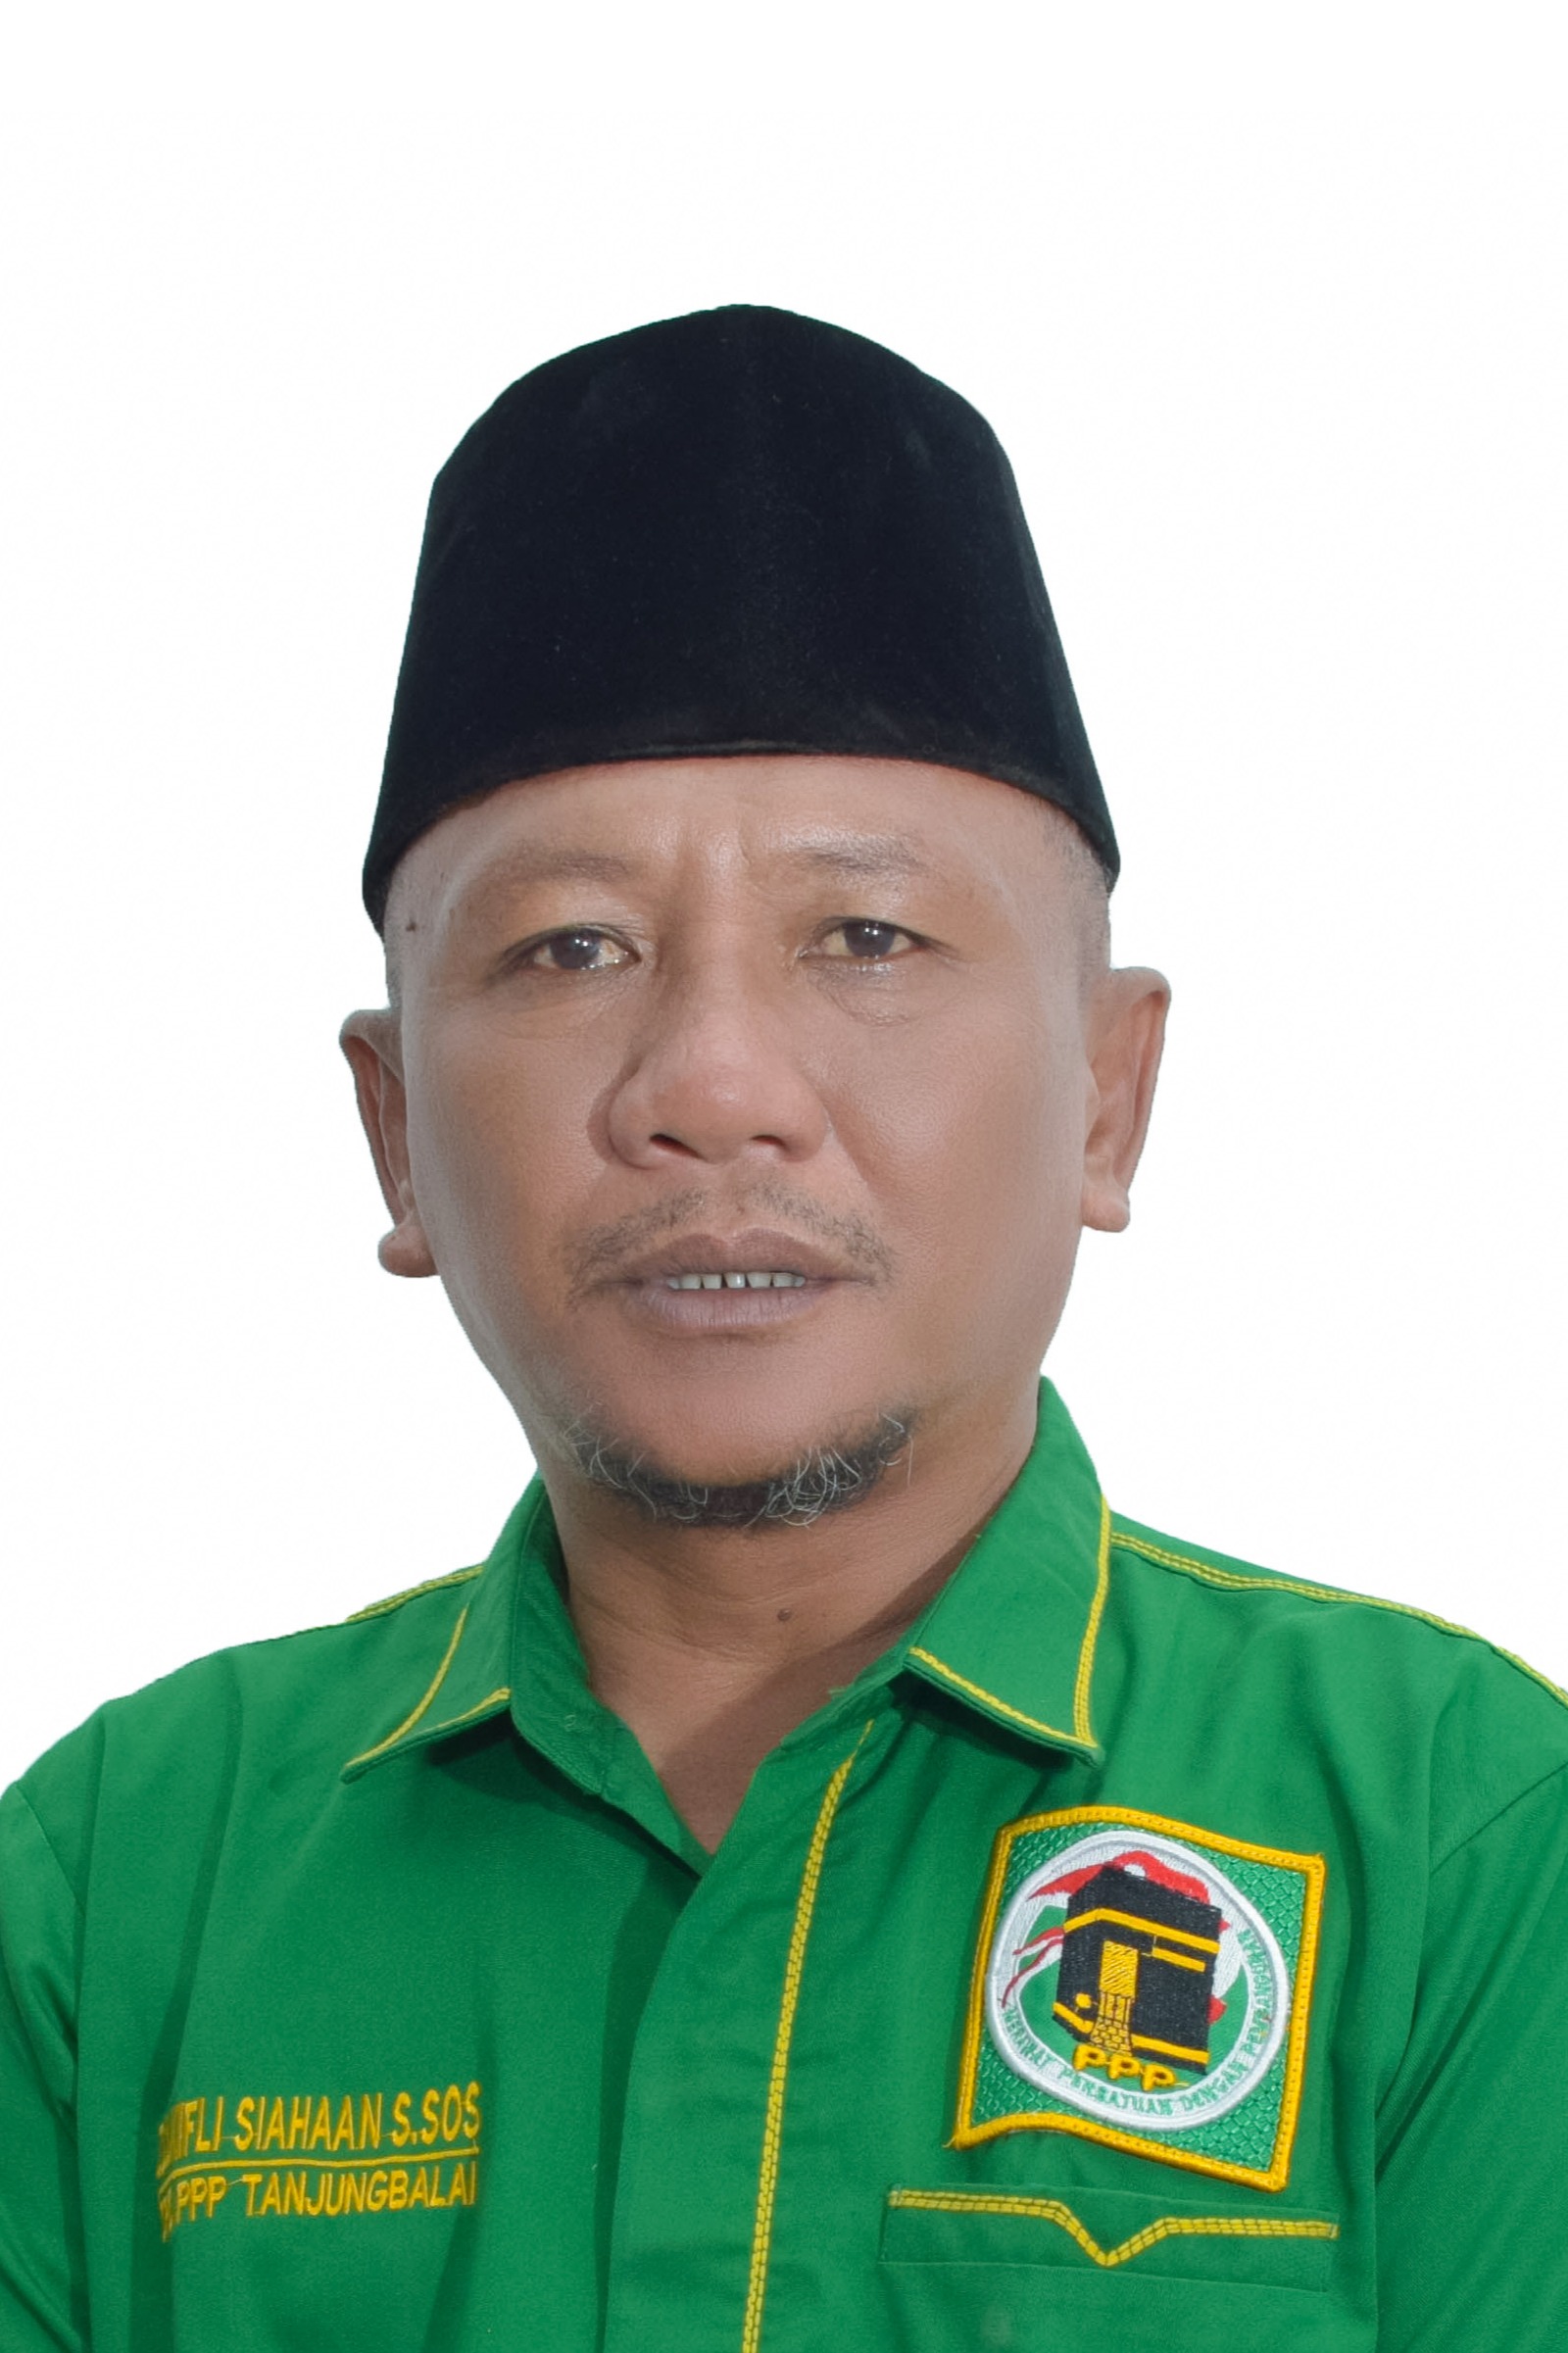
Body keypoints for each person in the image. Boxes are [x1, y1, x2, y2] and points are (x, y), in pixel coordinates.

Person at [2, 305, 1565, 2353]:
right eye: (571, 946)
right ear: (393, 1134)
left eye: (867, 936)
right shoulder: (118, 1884)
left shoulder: (1459, 1840)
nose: (714, 1084)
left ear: (1108, 1094)